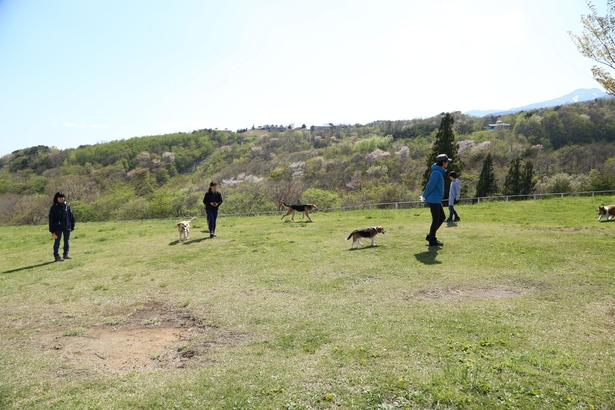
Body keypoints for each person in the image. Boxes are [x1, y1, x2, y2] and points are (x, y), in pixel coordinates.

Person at [422, 154, 450, 246]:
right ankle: (432, 239)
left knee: (441, 217)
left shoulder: (439, 171)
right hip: (433, 199)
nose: (448, 163)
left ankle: (431, 236)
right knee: (436, 219)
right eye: (447, 161)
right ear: (443, 162)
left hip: (436, 199)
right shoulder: (437, 173)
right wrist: (424, 196)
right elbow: (430, 185)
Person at [48, 192, 75, 261]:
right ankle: (56, 256)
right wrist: (52, 230)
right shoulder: (53, 207)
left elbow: (71, 216)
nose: (61, 199)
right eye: (59, 197)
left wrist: (72, 225)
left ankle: (66, 254)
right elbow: (51, 219)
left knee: (67, 241)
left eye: (62, 197)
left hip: (67, 226)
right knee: (57, 242)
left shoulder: (67, 206)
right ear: (56, 198)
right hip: (57, 228)